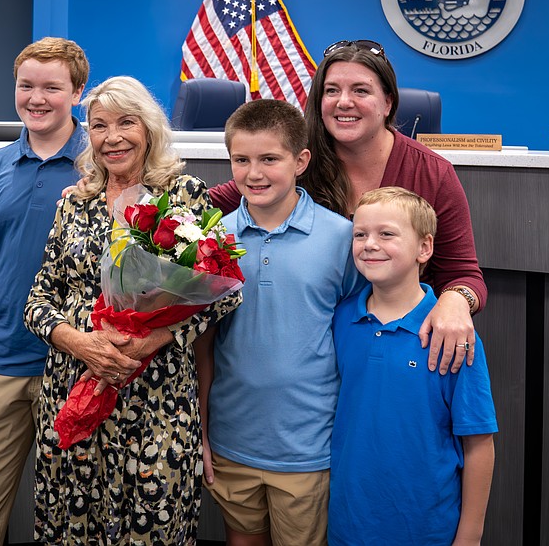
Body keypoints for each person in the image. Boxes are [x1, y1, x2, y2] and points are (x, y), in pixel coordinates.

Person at [23, 75, 242, 545]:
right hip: (76, 387)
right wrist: (80, 343)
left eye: (126, 123)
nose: (113, 137)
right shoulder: (74, 203)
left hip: (156, 398)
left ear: (149, 128)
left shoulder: (182, 194)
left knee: (153, 524)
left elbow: (224, 291)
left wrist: (154, 338)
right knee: (75, 525)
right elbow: (38, 300)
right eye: (100, 126)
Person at [208, 39, 486, 375]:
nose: (343, 102)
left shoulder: (431, 172)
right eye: (331, 91)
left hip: (397, 351)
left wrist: (456, 300)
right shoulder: (293, 163)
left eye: (360, 90)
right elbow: (206, 203)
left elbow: (464, 274)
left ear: (388, 102)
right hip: (313, 360)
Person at [194, 99, 362, 546]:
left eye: (269, 159)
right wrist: (204, 432)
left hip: (309, 448)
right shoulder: (212, 238)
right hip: (232, 441)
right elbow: (203, 346)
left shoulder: (342, 238)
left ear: (301, 161)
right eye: (241, 160)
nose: (254, 173)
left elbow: (358, 338)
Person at [0, 37, 89, 546]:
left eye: (52, 87)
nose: (36, 98)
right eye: (26, 86)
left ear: (77, 93)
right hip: (2, 361)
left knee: (72, 514)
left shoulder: (101, 163)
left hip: (77, 366)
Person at [329, 186, 497, 545]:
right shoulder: (341, 318)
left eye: (386, 234)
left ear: (424, 248)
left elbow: (479, 442)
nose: (369, 244)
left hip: (427, 528)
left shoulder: (452, 334)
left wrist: (470, 535)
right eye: (360, 234)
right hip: (349, 522)